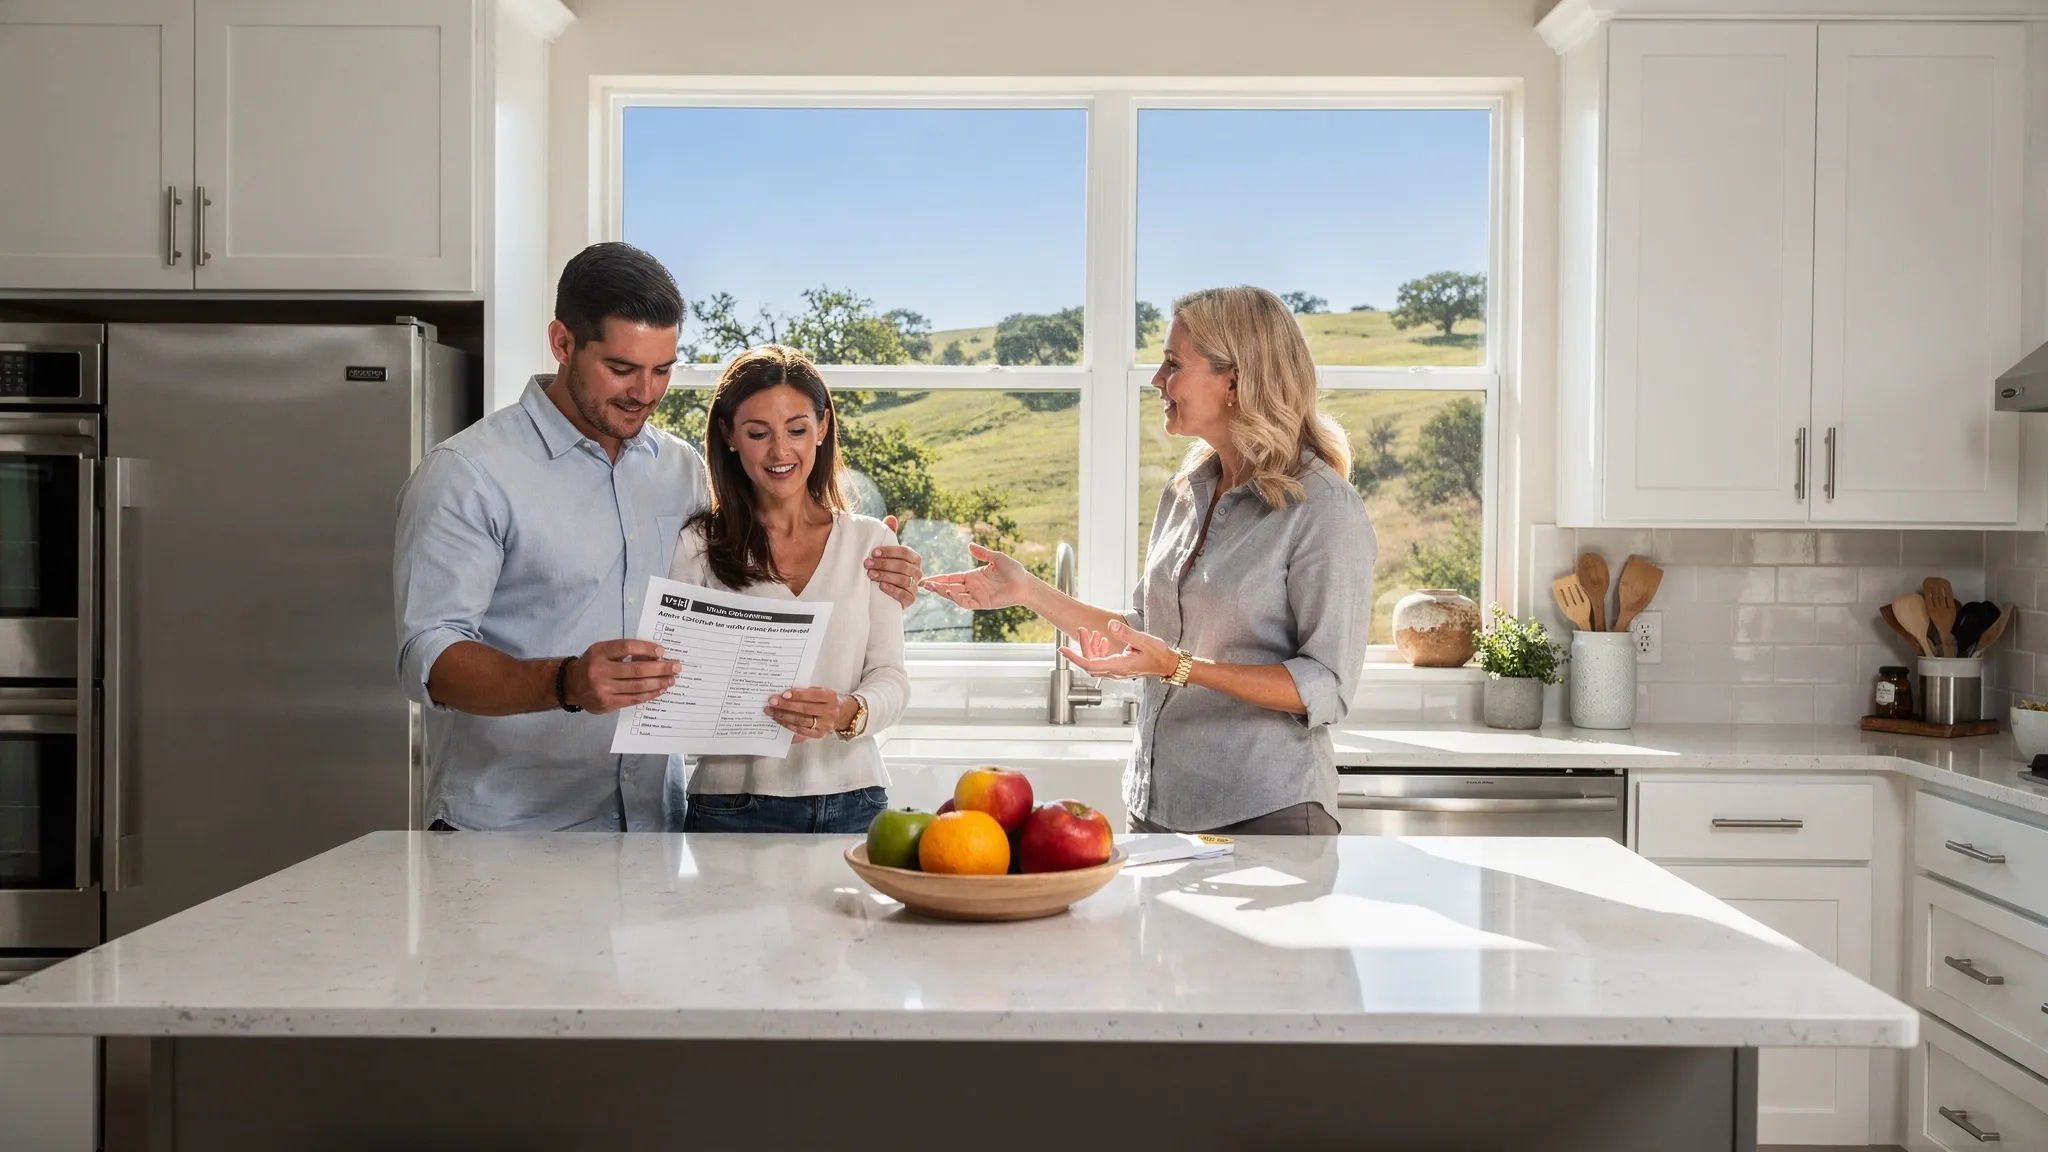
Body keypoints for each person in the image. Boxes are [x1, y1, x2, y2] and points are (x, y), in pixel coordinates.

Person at [394, 243, 924, 832]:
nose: (644, 392)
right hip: (510, 826)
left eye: (662, 369)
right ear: (562, 343)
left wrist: (885, 576)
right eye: (621, 369)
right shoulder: (470, 473)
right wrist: (564, 682)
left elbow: (751, 572)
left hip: (652, 825)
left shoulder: (679, 472)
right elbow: (429, 658)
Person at [922, 286, 1374, 836]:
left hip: (1265, 808)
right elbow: (1143, 634)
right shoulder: (1187, 491)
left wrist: (1180, 668)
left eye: (1173, 364)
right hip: (1157, 805)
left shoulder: (1322, 505)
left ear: (1235, 379)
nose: (1158, 381)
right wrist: (1027, 591)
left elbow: (1327, 683)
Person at [663, 345, 908, 834]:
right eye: (758, 433)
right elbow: (676, 690)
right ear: (729, 436)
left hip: (856, 801)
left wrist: (846, 711)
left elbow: (891, 677)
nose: (781, 452)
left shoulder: (871, 542)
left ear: (821, 426)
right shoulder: (697, 545)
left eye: (797, 429)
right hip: (730, 807)